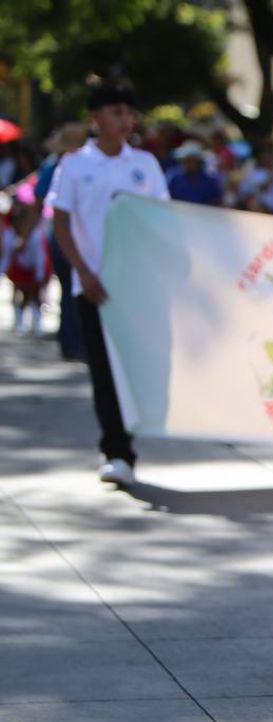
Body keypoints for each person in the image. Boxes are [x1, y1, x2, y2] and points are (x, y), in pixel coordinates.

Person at [47, 79, 169, 486]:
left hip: (136, 287)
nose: (124, 120)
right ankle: (116, 450)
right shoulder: (75, 165)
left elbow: (160, 218)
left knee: (133, 368)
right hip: (95, 287)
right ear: (95, 118)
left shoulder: (145, 165)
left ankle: (129, 437)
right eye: (115, 112)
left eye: (128, 112)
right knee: (103, 369)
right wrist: (82, 271)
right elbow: (61, 221)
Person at [34, 122, 89, 360]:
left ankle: (74, 340)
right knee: (70, 288)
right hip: (63, 234)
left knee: (75, 289)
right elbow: (42, 202)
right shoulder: (60, 167)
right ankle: (71, 341)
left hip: (78, 235)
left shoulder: (83, 165)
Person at [5, 190, 52, 336]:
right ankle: (19, 323)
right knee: (19, 291)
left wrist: (40, 276)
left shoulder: (37, 236)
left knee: (34, 294)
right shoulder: (10, 234)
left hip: (35, 269)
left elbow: (41, 258)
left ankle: (37, 324)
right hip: (18, 268)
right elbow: (6, 256)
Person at [238, 139, 273, 215]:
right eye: (265, 155)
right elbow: (247, 192)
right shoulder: (255, 173)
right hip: (265, 212)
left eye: (270, 155)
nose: (268, 157)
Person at [166, 140, 222, 206]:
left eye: (190, 160)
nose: (187, 163)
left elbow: (215, 202)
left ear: (199, 161)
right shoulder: (173, 176)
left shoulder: (209, 181)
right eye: (185, 160)